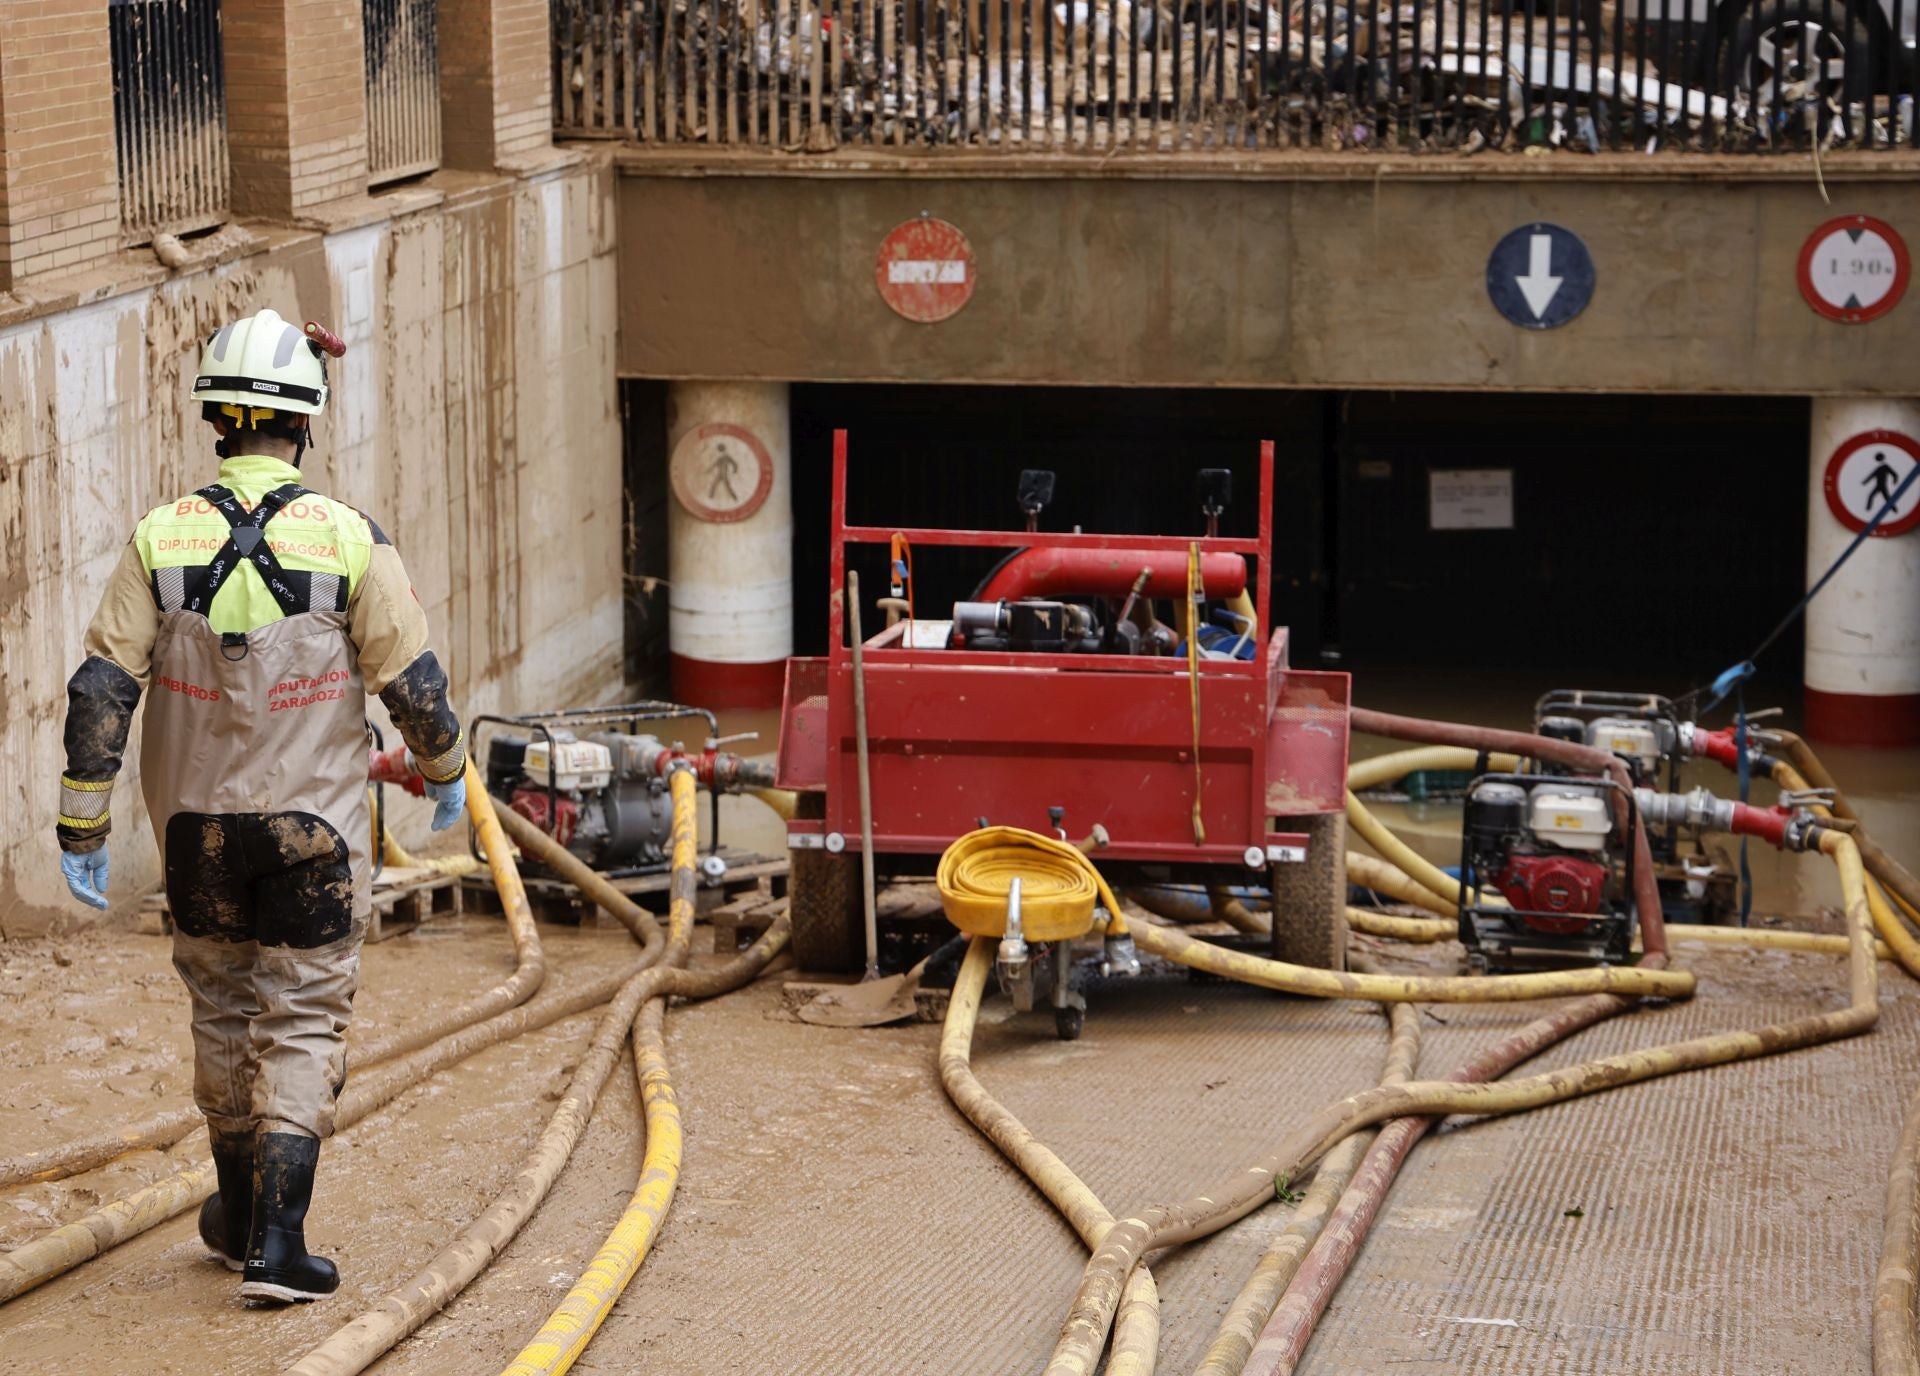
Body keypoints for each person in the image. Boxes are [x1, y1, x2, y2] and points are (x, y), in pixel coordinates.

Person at [55, 308, 469, 1305]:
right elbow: (412, 682)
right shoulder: (348, 540)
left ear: (216, 421)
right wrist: (446, 768)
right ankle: (277, 1243)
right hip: (311, 833)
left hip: (195, 831)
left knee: (222, 1001)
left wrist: (82, 823)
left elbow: (101, 691)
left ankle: (236, 1215)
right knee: (302, 1012)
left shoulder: (160, 536)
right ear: (307, 422)